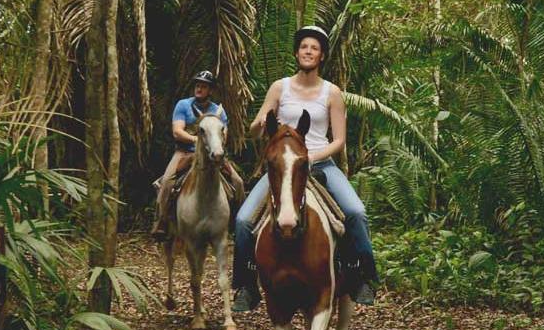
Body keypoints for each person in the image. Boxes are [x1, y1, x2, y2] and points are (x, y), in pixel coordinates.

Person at [231, 26, 378, 310]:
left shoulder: (331, 92)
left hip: (320, 163)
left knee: (356, 212)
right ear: (297, 53)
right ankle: (246, 285)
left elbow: (339, 141)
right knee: (243, 220)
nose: (308, 51)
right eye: (304, 47)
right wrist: (258, 125)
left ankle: (363, 276)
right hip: (283, 165)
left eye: (314, 48)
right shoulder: (279, 87)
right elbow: (254, 131)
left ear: (321, 56)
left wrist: (310, 157)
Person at [152, 71, 244, 239]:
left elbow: (224, 135)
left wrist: (213, 145)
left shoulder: (218, 111)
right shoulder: (183, 105)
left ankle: (236, 225)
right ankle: (161, 222)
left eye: (204, 86)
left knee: (238, 182)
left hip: (212, 154)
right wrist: (198, 140)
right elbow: (177, 131)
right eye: (197, 85)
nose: (199, 88)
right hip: (185, 153)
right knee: (167, 181)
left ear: (210, 90)